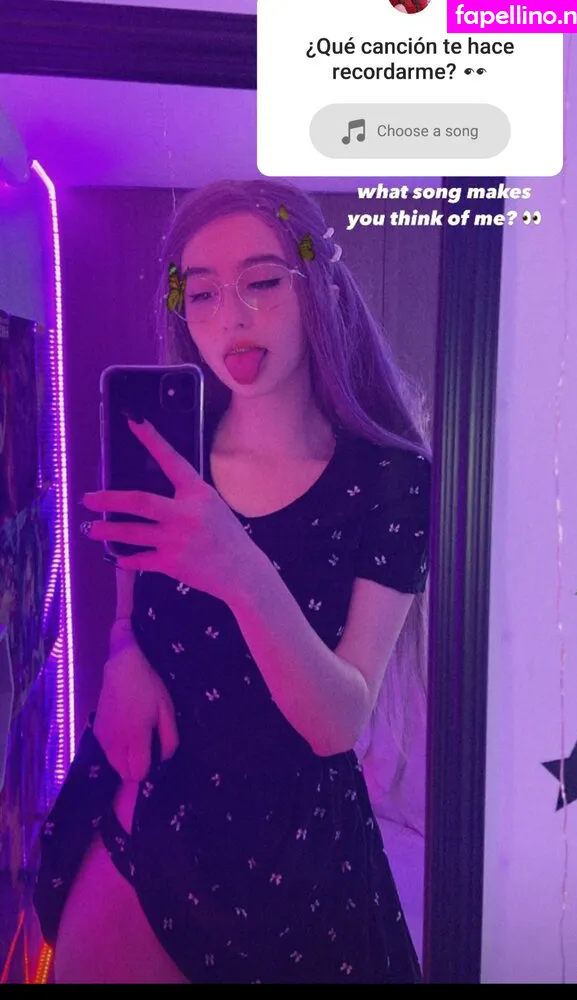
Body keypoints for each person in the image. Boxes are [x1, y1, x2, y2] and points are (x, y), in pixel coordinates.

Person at [33, 179, 432, 984]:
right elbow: (133, 582)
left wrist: (239, 566)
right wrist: (121, 652)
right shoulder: (167, 453)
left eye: (261, 281)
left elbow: (338, 722)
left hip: (300, 862)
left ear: (318, 285)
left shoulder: (390, 480)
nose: (231, 319)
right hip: (143, 814)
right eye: (203, 293)